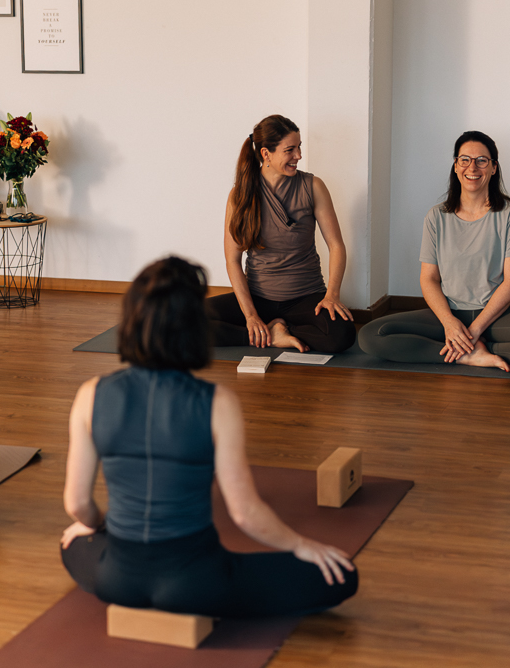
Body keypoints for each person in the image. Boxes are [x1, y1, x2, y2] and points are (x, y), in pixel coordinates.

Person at [61, 256, 357, 618]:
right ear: (196, 329)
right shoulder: (217, 403)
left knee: (73, 542)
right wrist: (302, 544)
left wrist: (96, 528)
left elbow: (77, 505)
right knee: (341, 576)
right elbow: (245, 514)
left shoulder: (90, 394)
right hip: (196, 584)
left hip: (118, 580)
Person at [357, 131, 510, 372]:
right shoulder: (436, 216)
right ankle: (467, 355)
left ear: (493, 168)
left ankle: (470, 345)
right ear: (456, 166)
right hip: (450, 312)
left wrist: (474, 331)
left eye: (482, 160)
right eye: (465, 159)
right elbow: (429, 278)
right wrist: (449, 323)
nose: (473, 167)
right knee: (370, 335)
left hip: (499, 314)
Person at [205, 114, 355, 354]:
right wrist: (251, 316)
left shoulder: (313, 186)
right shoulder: (240, 195)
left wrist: (332, 295)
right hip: (258, 297)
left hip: (305, 297)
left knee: (341, 335)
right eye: (290, 150)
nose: (299, 156)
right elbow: (233, 260)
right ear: (266, 154)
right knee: (182, 320)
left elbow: (336, 245)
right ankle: (269, 335)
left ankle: (282, 329)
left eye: (299, 148)